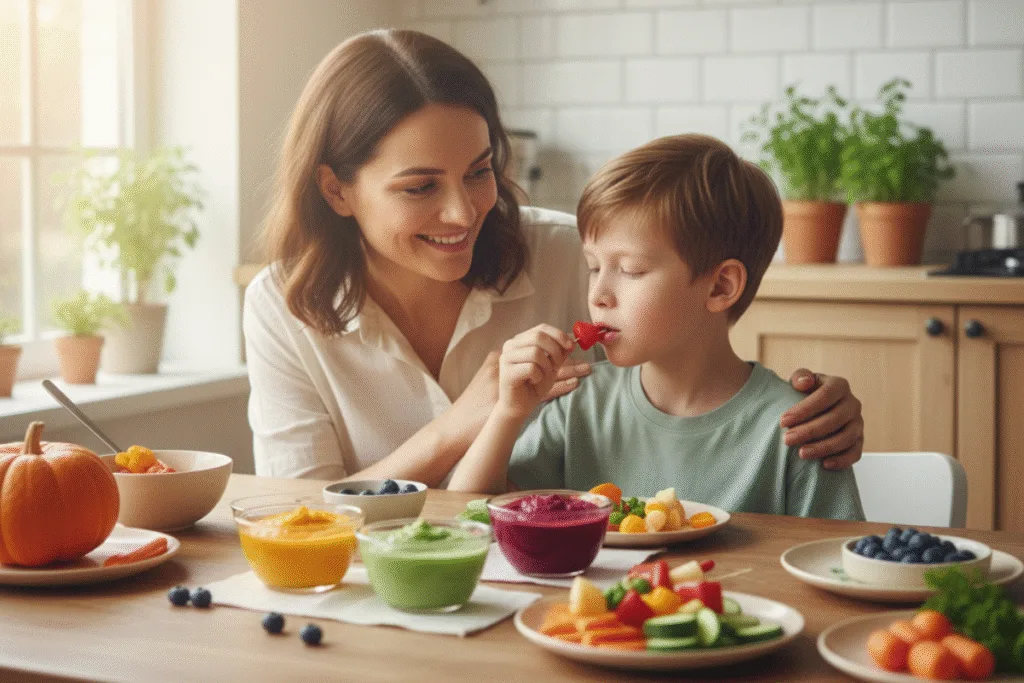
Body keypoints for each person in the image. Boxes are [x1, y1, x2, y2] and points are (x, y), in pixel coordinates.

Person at [243, 29, 865, 487]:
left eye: (480, 171)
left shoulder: (575, 254)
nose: (463, 213)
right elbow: (296, 514)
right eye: (420, 187)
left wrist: (805, 405)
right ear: (336, 189)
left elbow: (695, 356)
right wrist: (463, 424)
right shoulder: (281, 306)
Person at [448, 135, 865, 521]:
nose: (599, 295)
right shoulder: (580, 406)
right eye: (594, 267)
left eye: (630, 270)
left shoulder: (802, 426)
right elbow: (469, 517)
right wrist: (508, 413)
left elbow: (834, 561)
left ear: (720, 286)